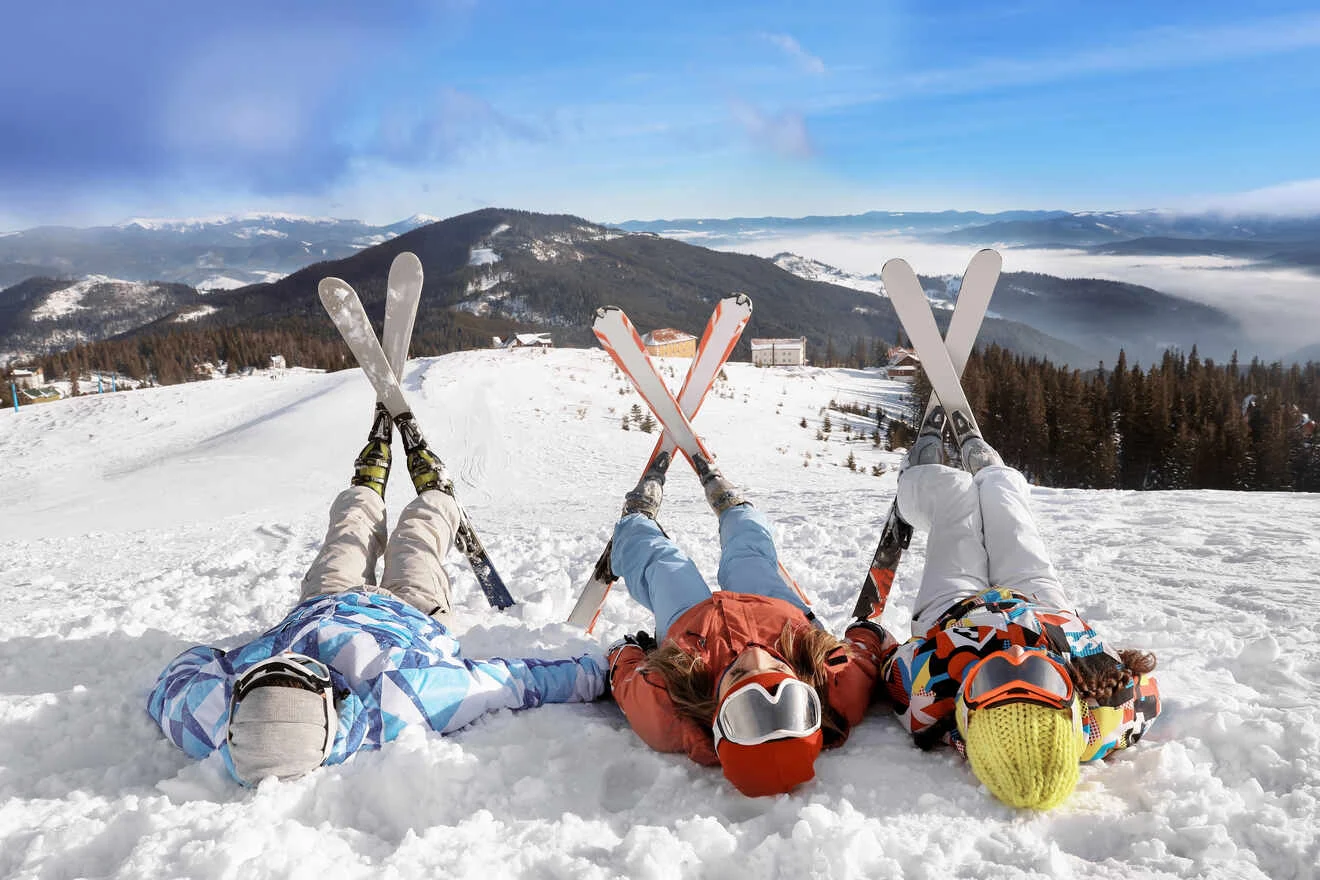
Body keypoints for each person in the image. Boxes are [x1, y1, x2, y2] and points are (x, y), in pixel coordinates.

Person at [147, 404, 607, 785]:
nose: (298, 661)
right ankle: (436, 494)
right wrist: (597, 675)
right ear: (335, 703)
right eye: (307, 672)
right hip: (409, 614)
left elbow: (174, 679)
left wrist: (223, 660)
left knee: (346, 538)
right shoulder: (400, 697)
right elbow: (510, 682)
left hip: (322, 605)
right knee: (417, 540)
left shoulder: (213, 720)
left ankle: (367, 485)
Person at [879, 409, 1161, 810]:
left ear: (966, 712)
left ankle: (920, 481)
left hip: (955, 608)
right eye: (1040, 677)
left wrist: (870, 638)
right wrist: (1107, 694)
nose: (1015, 656)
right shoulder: (1103, 713)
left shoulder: (929, 694)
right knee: (1011, 518)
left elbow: (888, 665)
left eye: (991, 679)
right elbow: (1145, 694)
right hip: (1044, 606)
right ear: (1071, 704)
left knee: (955, 503)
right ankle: (994, 475)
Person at [606, 450, 896, 797]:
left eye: (740, 675)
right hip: (781, 618)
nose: (755, 656)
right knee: (749, 559)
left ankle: (636, 520)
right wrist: (868, 633)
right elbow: (863, 654)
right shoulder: (837, 685)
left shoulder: (666, 709)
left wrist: (627, 652)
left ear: (716, 717)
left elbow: (626, 680)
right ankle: (734, 508)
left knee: (664, 566)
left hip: (692, 631)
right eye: (777, 670)